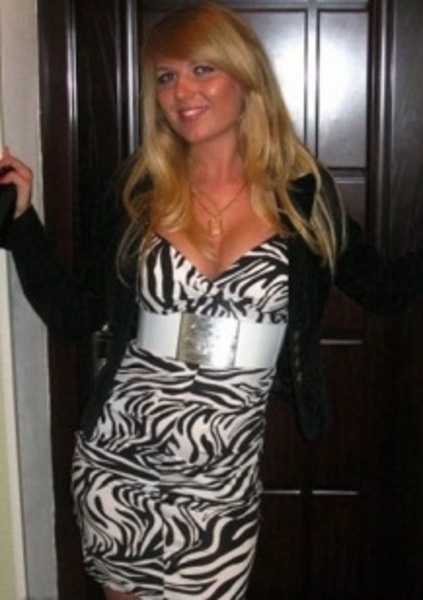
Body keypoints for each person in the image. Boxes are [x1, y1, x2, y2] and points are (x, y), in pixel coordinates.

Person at [1, 2, 422, 599]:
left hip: (220, 479)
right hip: (119, 460)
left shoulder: (303, 196)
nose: (182, 92)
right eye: (166, 77)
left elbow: (384, 290)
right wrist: (22, 223)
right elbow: (76, 315)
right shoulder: (136, 192)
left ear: (245, 77)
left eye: (202, 69)